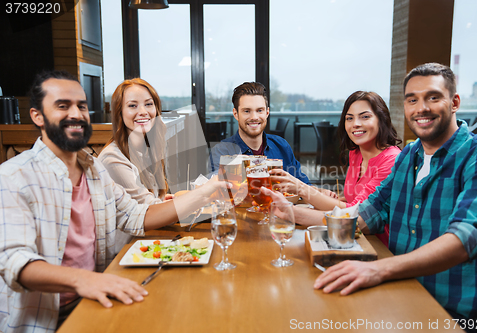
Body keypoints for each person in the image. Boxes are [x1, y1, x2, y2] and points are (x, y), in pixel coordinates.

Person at [267, 63, 477, 323]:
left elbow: (464, 239)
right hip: (400, 289)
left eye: (433, 97)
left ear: (454, 102)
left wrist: (378, 270)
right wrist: (290, 212)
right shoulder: (409, 155)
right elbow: (363, 215)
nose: (421, 108)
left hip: (454, 311)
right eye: (412, 100)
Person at [0, 70, 227, 332]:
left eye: (81, 106)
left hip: (97, 296)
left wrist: (206, 191)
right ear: (37, 116)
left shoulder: (93, 169)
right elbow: (14, 261)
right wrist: (85, 280)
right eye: (63, 106)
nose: (76, 114)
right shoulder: (13, 176)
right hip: (46, 319)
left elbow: (137, 215)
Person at [271, 91, 401, 246]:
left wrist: (301, 190)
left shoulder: (392, 160)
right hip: (348, 238)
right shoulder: (356, 152)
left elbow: (356, 213)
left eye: (365, 116)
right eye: (349, 118)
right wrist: (331, 197)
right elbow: (354, 198)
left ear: (382, 119)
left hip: (377, 245)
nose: (355, 124)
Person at [98, 78, 174, 253]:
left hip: (147, 243)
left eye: (148, 104)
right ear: (119, 112)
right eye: (132, 106)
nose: (143, 112)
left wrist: (163, 201)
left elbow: (149, 203)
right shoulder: (113, 159)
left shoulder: (148, 149)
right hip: (124, 253)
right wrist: (200, 196)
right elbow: (150, 211)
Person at [210, 81, 310, 185]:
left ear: (267, 113)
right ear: (236, 114)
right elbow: (222, 194)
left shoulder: (282, 146)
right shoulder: (221, 152)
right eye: (247, 111)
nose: (254, 117)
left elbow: (304, 185)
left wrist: (319, 192)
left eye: (259, 110)